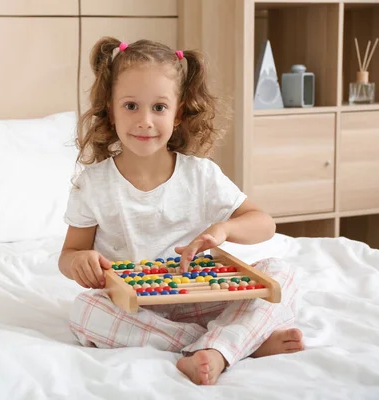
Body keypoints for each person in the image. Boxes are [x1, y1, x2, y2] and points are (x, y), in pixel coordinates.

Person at [58, 37, 304, 385]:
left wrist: (223, 230)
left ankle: (220, 344)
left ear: (178, 114)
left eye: (159, 107)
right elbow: (70, 254)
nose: (144, 121)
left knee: (280, 273)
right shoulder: (93, 184)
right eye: (131, 106)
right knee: (85, 311)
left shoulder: (200, 175)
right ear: (110, 111)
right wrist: (78, 263)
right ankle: (233, 343)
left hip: (203, 295)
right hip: (135, 305)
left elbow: (263, 223)